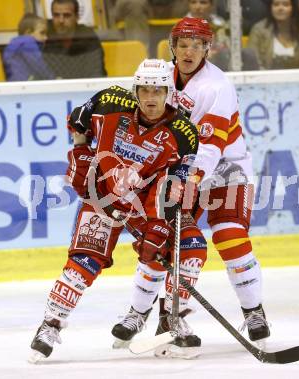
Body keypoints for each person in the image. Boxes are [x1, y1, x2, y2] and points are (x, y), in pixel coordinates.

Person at [29, 58, 206, 362]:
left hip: (145, 204)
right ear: (135, 90)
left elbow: (171, 185)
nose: (150, 98)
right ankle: (50, 325)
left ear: (168, 93)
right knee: (84, 262)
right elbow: (77, 124)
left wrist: (158, 228)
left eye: (158, 91)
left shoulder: (184, 133)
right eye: (144, 90)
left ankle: (170, 318)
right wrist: (81, 154)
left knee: (190, 245)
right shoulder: (108, 102)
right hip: (102, 196)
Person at [110, 17, 270, 348]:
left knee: (230, 235)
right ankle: (140, 312)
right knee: (163, 235)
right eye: (183, 45)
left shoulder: (217, 86)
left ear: (207, 49)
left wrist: (192, 178)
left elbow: (212, 144)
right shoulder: (160, 79)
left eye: (197, 45)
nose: (189, 52)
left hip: (226, 168)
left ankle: (254, 310)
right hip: (178, 167)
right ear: (173, 48)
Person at [186, 0, 259, 71]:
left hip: (220, 68)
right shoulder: (180, 29)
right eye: (193, 2)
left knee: (248, 54)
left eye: (203, 2)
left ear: (212, 6)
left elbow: (229, 51)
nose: (197, 7)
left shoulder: (222, 26)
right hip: (193, 70)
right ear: (188, 5)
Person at [43, 0, 106, 78]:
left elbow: (96, 72)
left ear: (77, 17)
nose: (61, 20)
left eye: (67, 15)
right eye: (56, 15)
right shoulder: (44, 35)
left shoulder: (87, 36)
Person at [247, 0, 299, 70]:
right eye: (276, 5)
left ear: (293, 8)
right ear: (270, 8)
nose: (280, 8)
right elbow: (253, 65)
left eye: (285, 5)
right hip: (264, 79)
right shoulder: (258, 30)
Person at [3, 13, 55, 81]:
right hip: (23, 86)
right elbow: (39, 66)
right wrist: (53, 78)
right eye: (42, 33)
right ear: (28, 33)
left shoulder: (17, 44)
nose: (46, 38)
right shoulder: (27, 42)